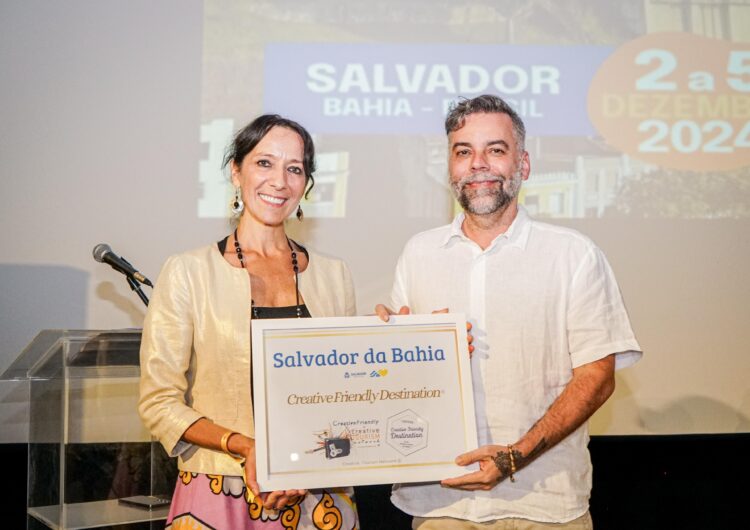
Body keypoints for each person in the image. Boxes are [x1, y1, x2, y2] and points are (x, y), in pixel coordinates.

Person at [376, 94, 642, 529]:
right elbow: (404, 378)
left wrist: (513, 457)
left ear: (524, 164)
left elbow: (597, 378)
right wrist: (388, 348)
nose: (477, 164)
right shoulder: (418, 253)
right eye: (463, 152)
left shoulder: (573, 255)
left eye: (495, 150)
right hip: (440, 502)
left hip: (545, 504)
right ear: (450, 167)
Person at [139, 114, 359, 529]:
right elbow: (158, 402)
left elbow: (345, 395)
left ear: (306, 185)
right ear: (235, 171)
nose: (279, 181)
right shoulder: (188, 271)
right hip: (221, 493)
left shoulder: (334, 274)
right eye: (264, 163)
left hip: (320, 494)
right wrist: (246, 447)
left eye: (294, 169)